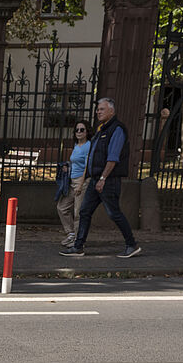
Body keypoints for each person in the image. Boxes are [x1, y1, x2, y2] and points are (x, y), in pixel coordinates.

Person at [61, 97, 141, 259]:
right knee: (84, 211)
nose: (98, 111)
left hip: (108, 180)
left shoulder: (117, 129)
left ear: (111, 110)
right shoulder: (102, 129)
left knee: (113, 213)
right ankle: (78, 246)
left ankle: (131, 244)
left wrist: (103, 178)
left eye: (102, 109)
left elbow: (113, 157)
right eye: (97, 109)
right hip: (96, 178)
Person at [54, 121, 92, 254]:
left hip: (82, 181)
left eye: (82, 130)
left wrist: (81, 184)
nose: (79, 132)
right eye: (77, 130)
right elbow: (76, 162)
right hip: (71, 181)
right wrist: (67, 167)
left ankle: (78, 240)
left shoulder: (88, 146)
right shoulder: (77, 145)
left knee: (78, 212)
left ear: (87, 131)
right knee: (62, 206)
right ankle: (70, 233)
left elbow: (87, 167)